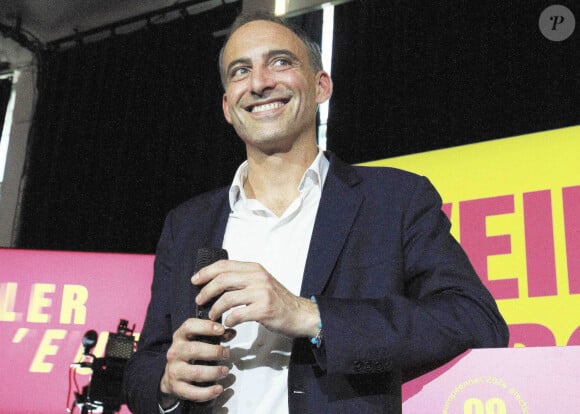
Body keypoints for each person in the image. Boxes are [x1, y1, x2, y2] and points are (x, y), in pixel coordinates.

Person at [124, 11, 509, 414]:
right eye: (241, 71)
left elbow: (475, 319)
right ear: (226, 106)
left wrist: (309, 315)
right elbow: (143, 368)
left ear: (320, 84)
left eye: (280, 62)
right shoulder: (186, 224)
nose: (259, 83)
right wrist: (167, 383)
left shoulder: (395, 199)